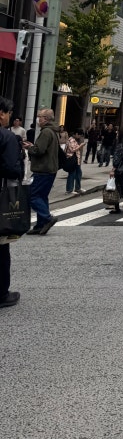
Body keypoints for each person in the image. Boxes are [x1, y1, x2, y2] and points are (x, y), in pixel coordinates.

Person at [0, 96, 23, 308]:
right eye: (8, 113)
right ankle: (1, 293)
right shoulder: (6, 137)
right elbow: (11, 169)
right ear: (1, 114)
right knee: (1, 246)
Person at [23, 108, 61, 234]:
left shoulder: (46, 132)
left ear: (46, 119)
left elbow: (39, 150)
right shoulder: (53, 131)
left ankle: (47, 218)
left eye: (40, 116)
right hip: (50, 169)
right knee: (42, 196)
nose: (38, 119)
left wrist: (30, 148)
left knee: (33, 196)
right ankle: (40, 225)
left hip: (43, 169)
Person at [64, 129, 85, 195]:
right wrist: (81, 146)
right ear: (76, 134)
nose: (79, 137)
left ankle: (78, 188)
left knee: (79, 173)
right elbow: (73, 150)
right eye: (79, 135)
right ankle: (69, 190)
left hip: (76, 159)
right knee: (72, 174)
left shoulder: (75, 140)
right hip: (72, 159)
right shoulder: (71, 140)